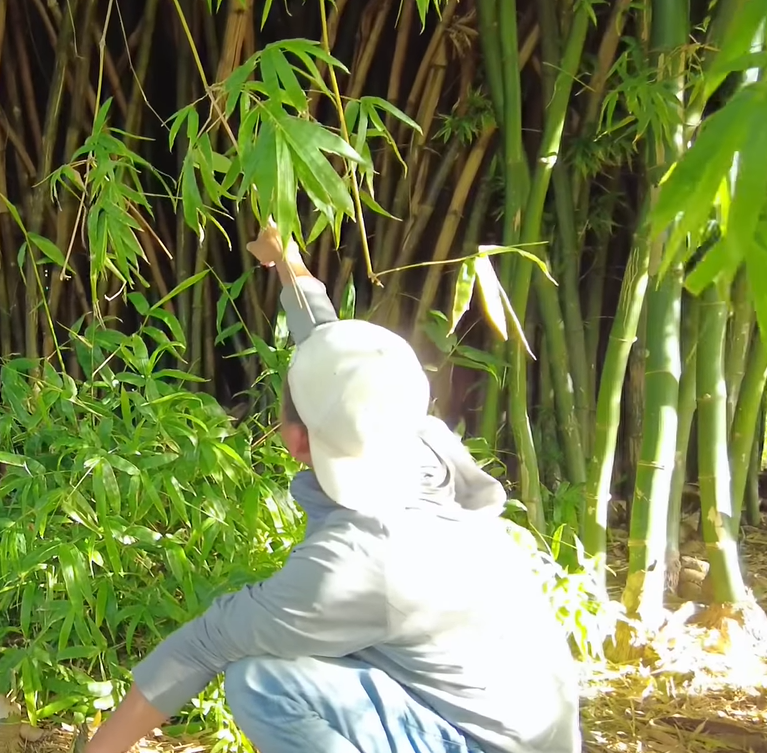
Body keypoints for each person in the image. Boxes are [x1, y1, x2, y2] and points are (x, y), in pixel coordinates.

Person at [83, 224, 581, 753]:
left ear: (294, 440)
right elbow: (336, 361)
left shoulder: (354, 564)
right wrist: (287, 262)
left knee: (262, 683)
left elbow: (208, 642)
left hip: (480, 743)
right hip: (529, 726)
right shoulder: (423, 442)